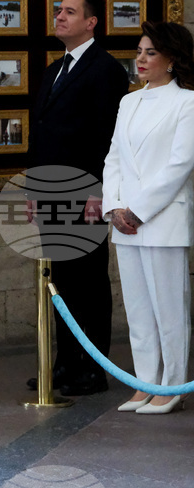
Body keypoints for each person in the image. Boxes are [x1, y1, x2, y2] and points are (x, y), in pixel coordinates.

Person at [27, 0, 129, 396]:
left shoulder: (105, 70)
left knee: (88, 281)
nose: (60, 17)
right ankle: (64, 365)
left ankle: (92, 368)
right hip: (50, 191)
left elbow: (108, 137)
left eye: (70, 12)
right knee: (59, 281)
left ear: (91, 23)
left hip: (85, 192)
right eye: (58, 11)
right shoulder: (55, 69)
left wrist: (100, 191)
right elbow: (42, 134)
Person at [103, 22, 194, 414]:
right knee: (138, 308)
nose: (140, 59)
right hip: (125, 221)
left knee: (169, 309)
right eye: (139, 52)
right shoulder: (128, 102)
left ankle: (172, 385)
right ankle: (143, 382)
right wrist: (114, 208)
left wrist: (138, 211)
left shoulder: (187, 103)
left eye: (150, 53)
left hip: (162, 220)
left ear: (172, 59)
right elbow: (114, 159)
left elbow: (179, 166)